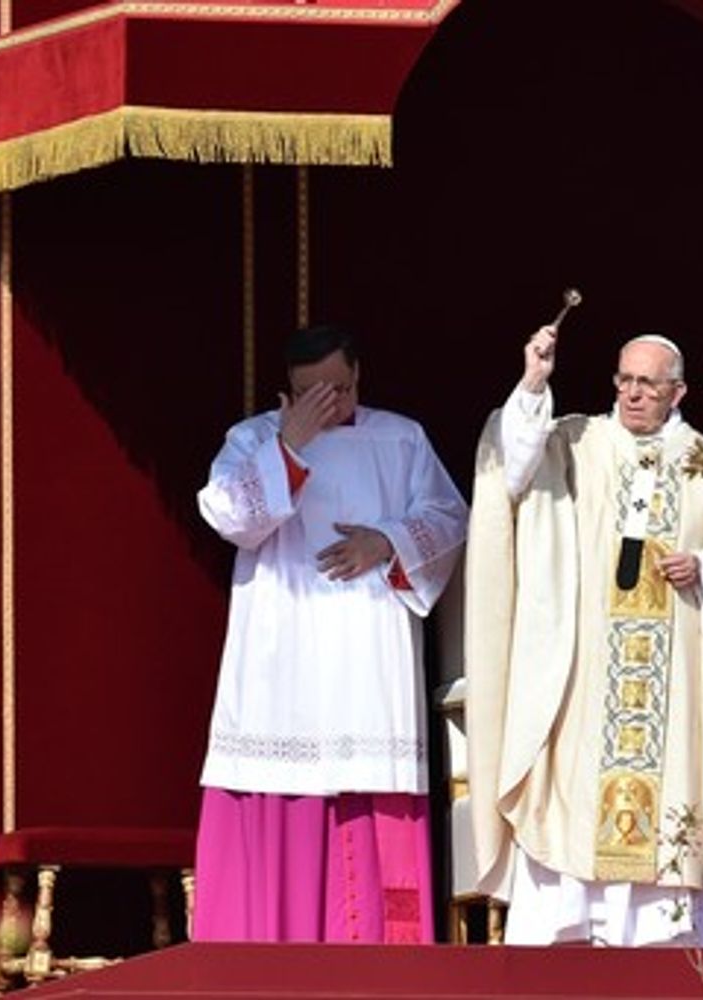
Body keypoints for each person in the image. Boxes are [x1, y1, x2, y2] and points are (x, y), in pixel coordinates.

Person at [465, 327, 703, 947]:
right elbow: (513, 464)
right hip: (584, 674)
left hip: (676, 687)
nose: (633, 394)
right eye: (625, 381)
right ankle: (568, 932)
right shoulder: (574, 442)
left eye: (648, 384)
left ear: (678, 391)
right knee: (572, 801)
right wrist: (534, 382)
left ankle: (665, 948)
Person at [193, 323, 469, 944]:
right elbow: (229, 517)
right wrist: (288, 448)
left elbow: (449, 519)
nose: (328, 406)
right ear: (288, 391)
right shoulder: (254, 439)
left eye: (338, 391)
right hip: (281, 650)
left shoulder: (400, 440)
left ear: (358, 376)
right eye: (311, 395)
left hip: (367, 651)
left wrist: (387, 541)